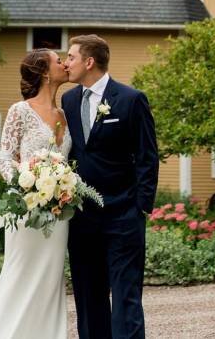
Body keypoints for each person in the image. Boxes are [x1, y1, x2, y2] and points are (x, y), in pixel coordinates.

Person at [62, 34, 159, 339]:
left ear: (89, 62)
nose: (66, 64)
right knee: (89, 299)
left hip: (123, 215)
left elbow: (147, 156)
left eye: (71, 57)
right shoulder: (69, 100)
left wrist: (140, 206)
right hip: (82, 218)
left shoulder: (131, 99)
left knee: (125, 296)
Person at [0, 48, 71, 339]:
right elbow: (5, 159)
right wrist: (26, 185)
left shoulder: (65, 114)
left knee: (50, 279)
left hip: (59, 214)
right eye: (59, 61)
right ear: (45, 71)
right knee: (20, 275)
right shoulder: (20, 111)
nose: (66, 63)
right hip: (25, 209)